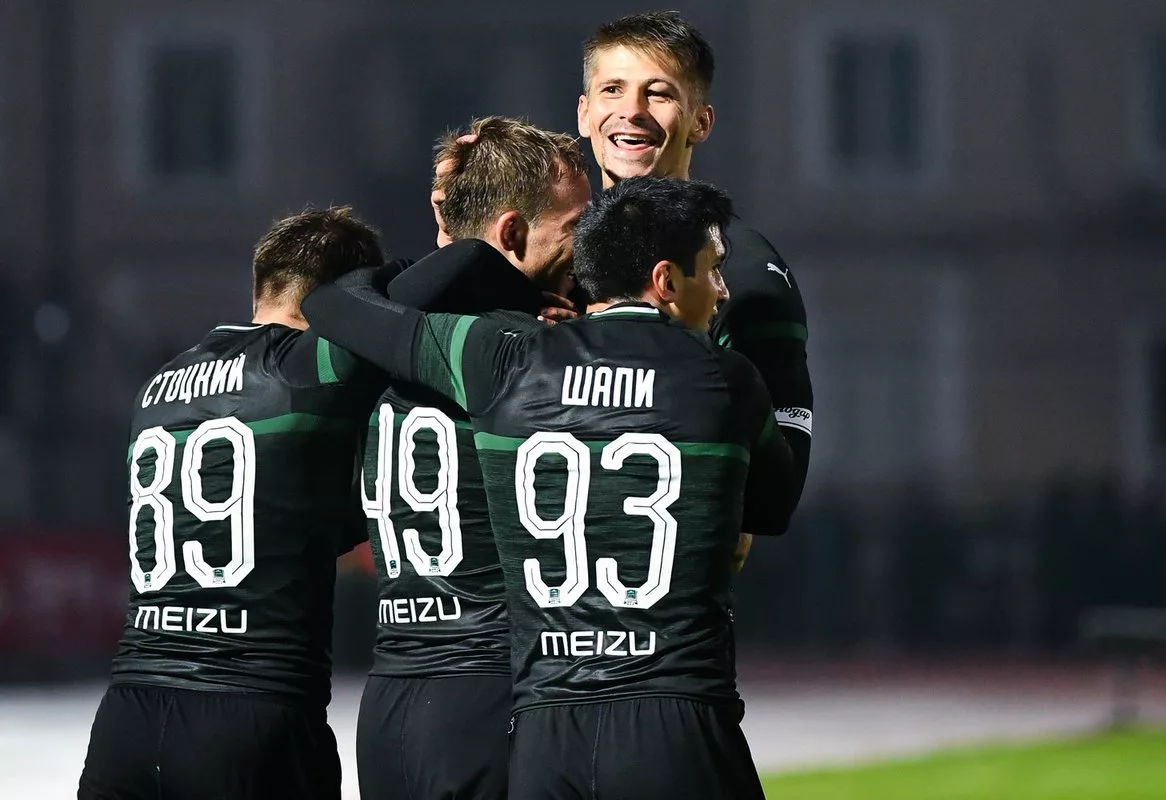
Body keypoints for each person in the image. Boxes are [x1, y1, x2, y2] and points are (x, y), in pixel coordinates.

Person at [303, 176, 800, 799]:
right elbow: (773, 506)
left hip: (545, 728)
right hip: (674, 713)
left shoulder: (506, 358)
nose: (724, 291)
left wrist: (474, 258)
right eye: (714, 270)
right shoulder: (727, 377)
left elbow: (336, 305)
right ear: (667, 282)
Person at [78, 207, 387, 800]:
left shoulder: (158, 385)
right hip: (252, 713)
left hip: (127, 716)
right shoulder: (312, 368)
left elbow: (278, 512)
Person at [355, 116, 590, 800]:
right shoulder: (523, 352)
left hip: (389, 696)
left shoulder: (371, 347)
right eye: (577, 228)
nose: (590, 247)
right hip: (491, 688)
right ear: (512, 234)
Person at [577, 11, 814, 560]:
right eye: (612, 89)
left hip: (669, 589)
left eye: (658, 93)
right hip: (537, 602)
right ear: (585, 114)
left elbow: (773, 496)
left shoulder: (745, 270)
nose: (631, 110)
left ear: (700, 123)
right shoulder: (547, 252)